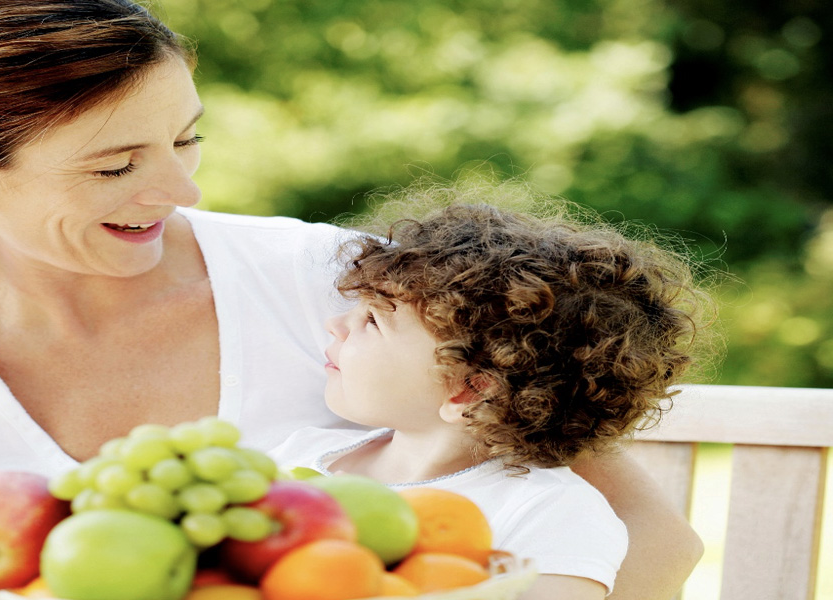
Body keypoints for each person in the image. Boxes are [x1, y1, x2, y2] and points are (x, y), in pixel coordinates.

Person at [0, 1, 702, 599]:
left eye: (186, 140)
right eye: (116, 164)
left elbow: (655, 541)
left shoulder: (342, 285)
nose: (181, 194)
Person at [270, 190, 714, 599]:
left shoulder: (551, 515)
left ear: (468, 390)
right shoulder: (304, 455)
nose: (336, 324)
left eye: (372, 321)